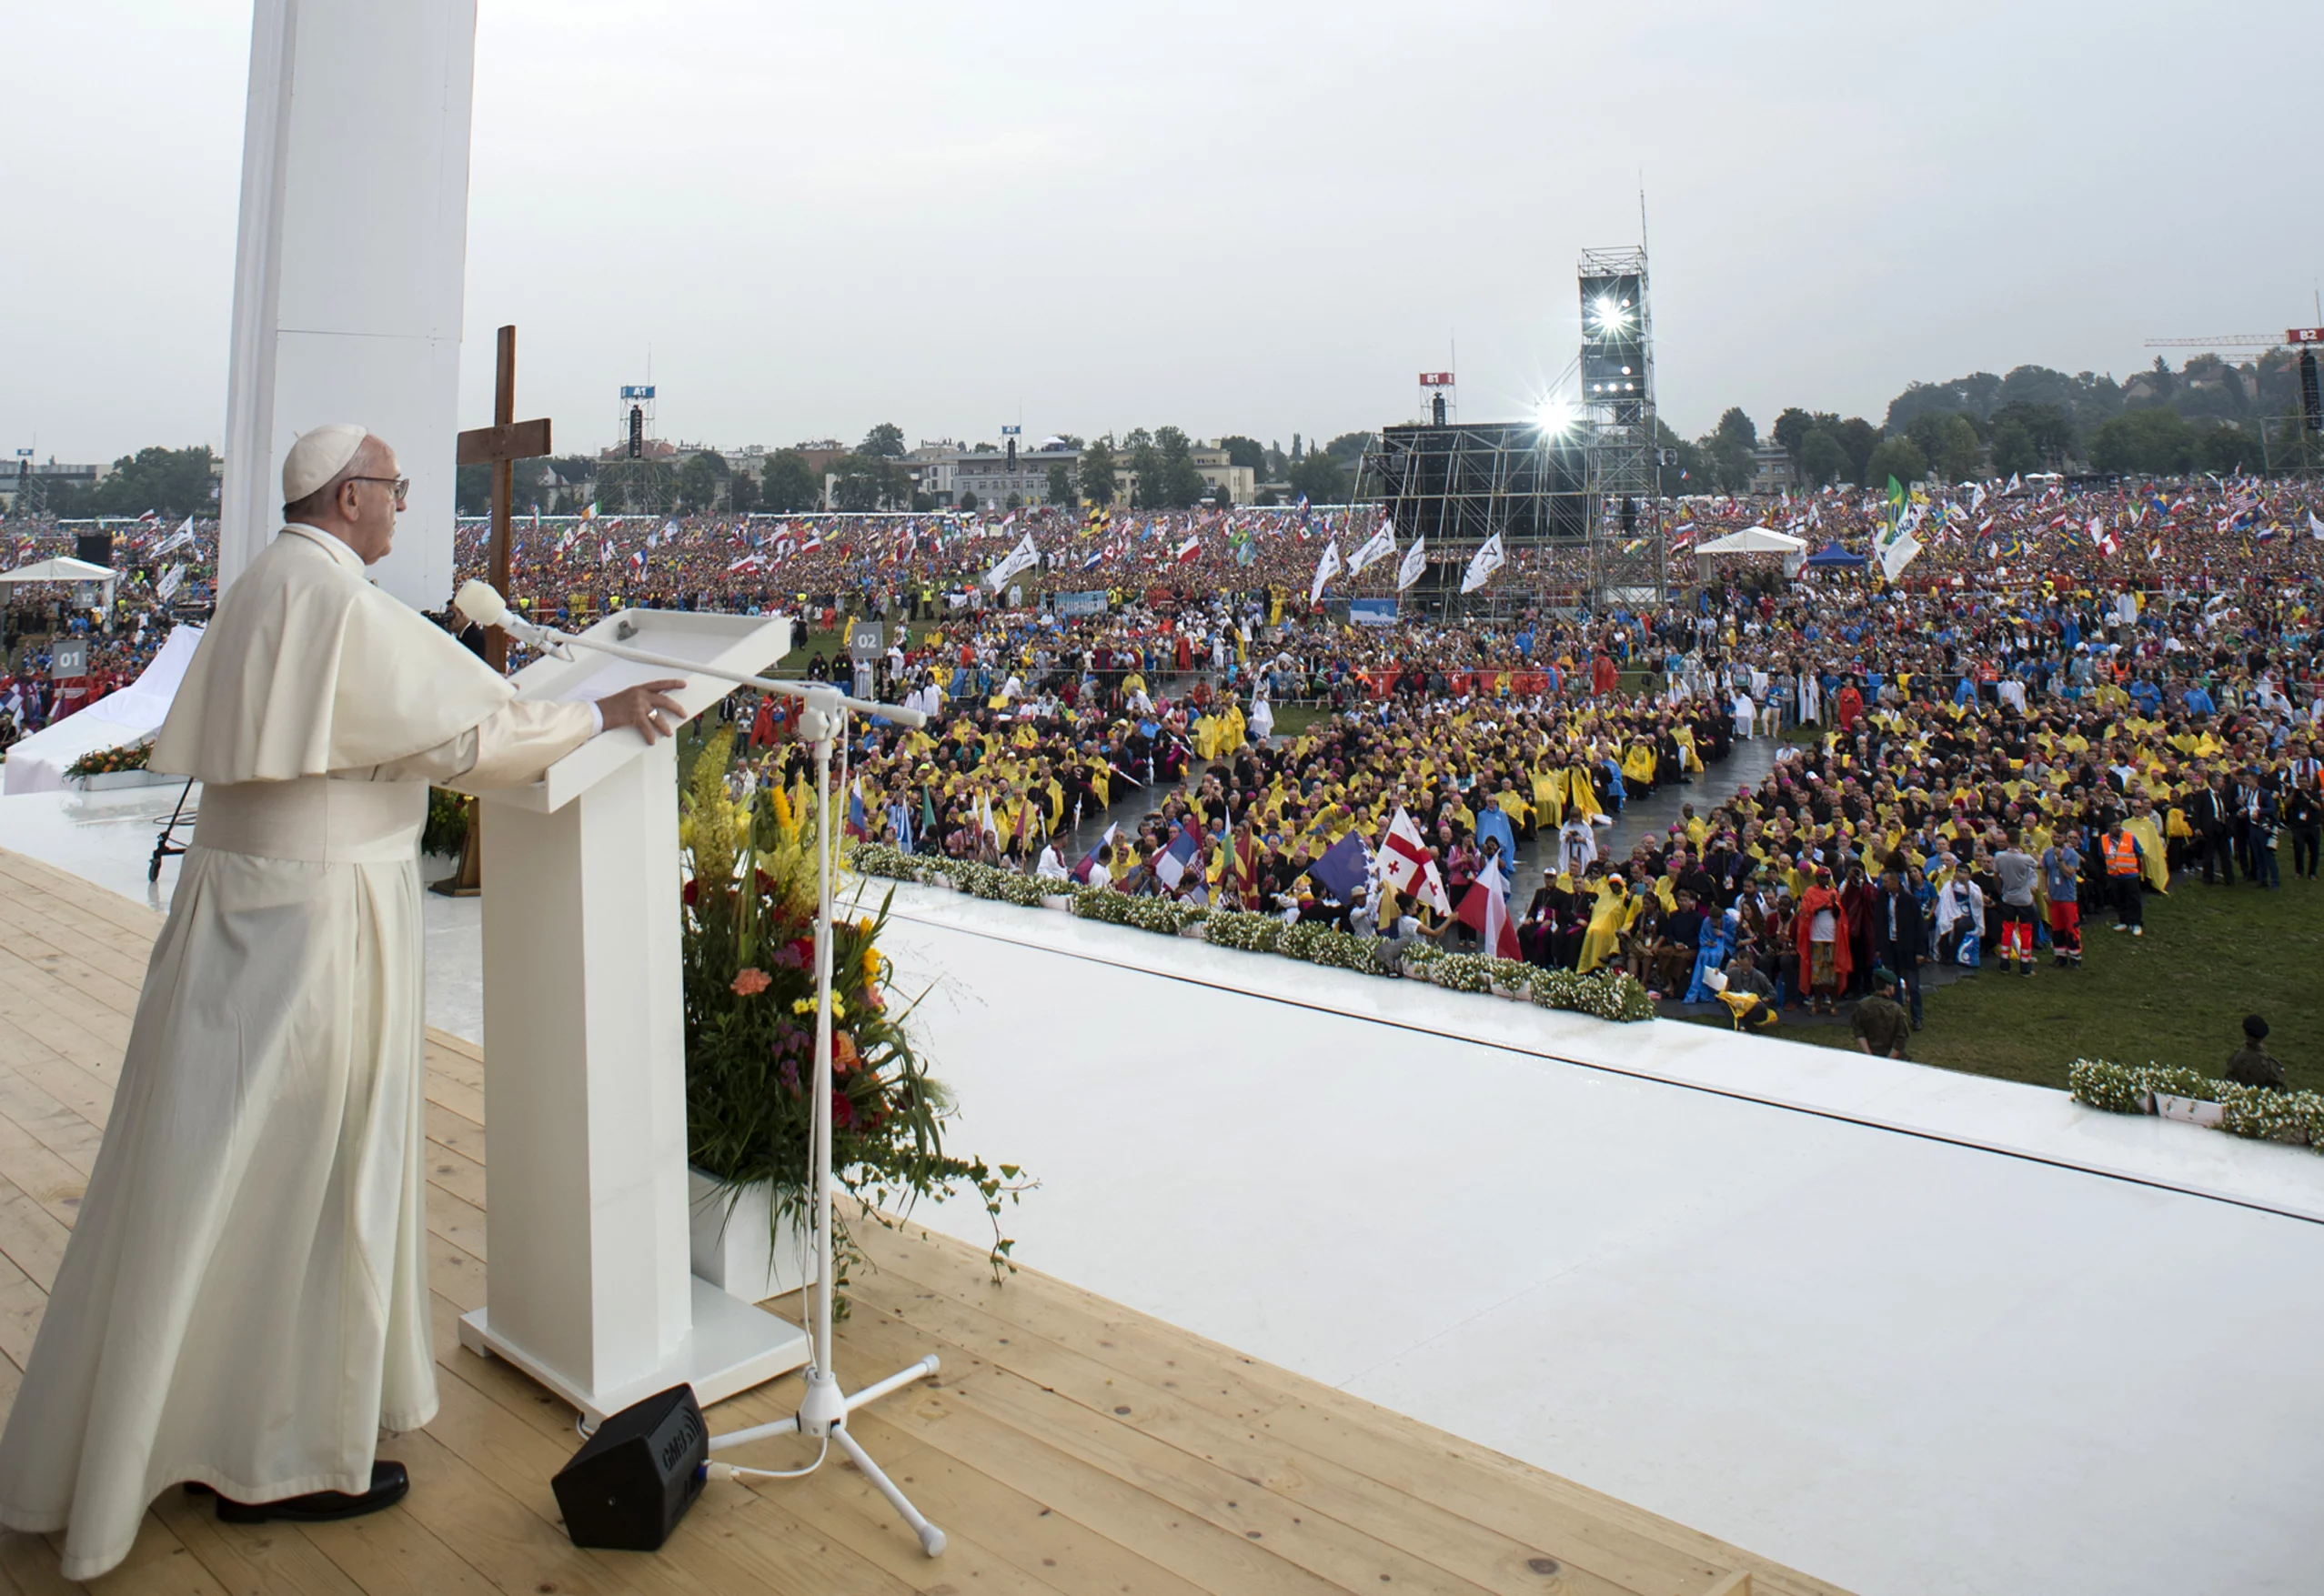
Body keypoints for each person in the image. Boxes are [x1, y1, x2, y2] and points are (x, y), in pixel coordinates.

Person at [0, 426, 685, 1582]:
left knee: (209, 1168)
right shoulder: (336, 601)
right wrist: (602, 715)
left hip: (241, 915)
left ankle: (189, 1424)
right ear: (348, 495)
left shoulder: (270, 585)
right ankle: (277, 1455)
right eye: (395, 489)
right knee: (310, 1177)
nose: (404, 506)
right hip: (318, 930)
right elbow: (476, 736)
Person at [1870, 866, 1927, 1029]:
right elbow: (1879, 923)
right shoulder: (1882, 898)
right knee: (1892, 984)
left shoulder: (1910, 901)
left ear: (1896, 882)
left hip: (1908, 947)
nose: (1884, 884)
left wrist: (1921, 950)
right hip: (1890, 945)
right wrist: (1879, 947)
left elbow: (1919, 927)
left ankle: (1917, 1017)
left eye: (1886, 881)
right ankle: (1897, 1016)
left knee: (1913, 985)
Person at [1992, 829, 2039, 977]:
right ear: (2019, 841)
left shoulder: (1999, 857)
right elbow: (2039, 863)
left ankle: (2004, 964)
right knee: (2025, 931)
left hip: (2008, 898)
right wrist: (2032, 848)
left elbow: (1996, 876)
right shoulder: (2025, 858)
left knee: (2007, 930)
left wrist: (2001, 892)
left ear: (2006, 841)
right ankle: (2025, 966)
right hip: (2024, 899)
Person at [2040, 829, 2083, 969]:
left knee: (2071, 928)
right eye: (2053, 836)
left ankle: (2075, 956)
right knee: (2057, 928)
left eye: (2058, 836)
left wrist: (2059, 859)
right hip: (2054, 897)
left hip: (2068, 897)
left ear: (2064, 838)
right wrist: (2045, 892)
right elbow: (2044, 873)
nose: (2055, 839)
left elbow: (2069, 873)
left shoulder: (2072, 855)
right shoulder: (2047, 853)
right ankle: (2060, 956)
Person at [1851, 968, 1912, 1059]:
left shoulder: (1862, 1005)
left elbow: (1859, 1031)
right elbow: (1901, 1039)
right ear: (1888, 987)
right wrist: (1887, 1061)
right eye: (1893, 985)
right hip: (1894, 1060)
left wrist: (1869, 1056)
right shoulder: (1896, 1009)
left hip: (1871, 1056)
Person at [2100, 814, 2145, 937]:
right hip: (2114, 875)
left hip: (2130, 874)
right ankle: (2124, 921)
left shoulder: (2130, 837)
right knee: (2119, 899)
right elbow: (2102, 854)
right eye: (2114, 826)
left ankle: (2136, 923)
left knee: (2134, 900)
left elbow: (2139, 852)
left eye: (2119, 825)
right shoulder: (2103, 839)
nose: (2118, 828)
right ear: (2108, 828)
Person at [2222, 1015, 2288, 1091]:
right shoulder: (2270, 1064)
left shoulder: (2236, 1058)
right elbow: (2280, 1090)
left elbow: (2227, 1083)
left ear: (2245, 1033)